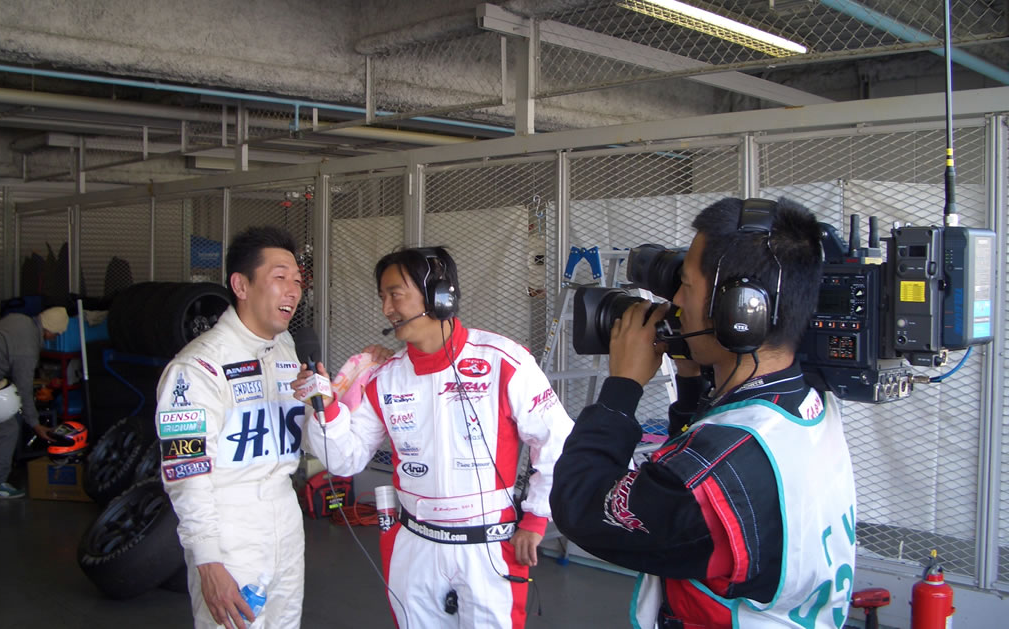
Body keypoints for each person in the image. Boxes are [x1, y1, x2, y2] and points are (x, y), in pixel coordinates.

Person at [550, 197, 856, 628]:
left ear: (739, 311)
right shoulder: (807, 405)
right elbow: (700, 459)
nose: (674, 299)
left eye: (686, 286)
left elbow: (580, 505)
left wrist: (622, 387)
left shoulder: (721, 473)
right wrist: (691, 381)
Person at [300, 246, 574, 629]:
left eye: (395, 294)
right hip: (415, 546)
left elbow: (556, 441)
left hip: (488, 547)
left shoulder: (503, 360)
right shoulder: (384, 377)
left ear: (439, 296)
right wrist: (324, 408)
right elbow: (345, 460)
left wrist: (536, 518)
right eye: (382, 297)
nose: (387, 309)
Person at [155, 226, 308, 629]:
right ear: (241, 285)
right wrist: (207, 560)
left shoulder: (286, 347)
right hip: (231, 530)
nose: (293, 290)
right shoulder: (196, 368)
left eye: (297, 280)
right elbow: (187, 473)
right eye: (279, 278)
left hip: (286, 518)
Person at [0, 306, 66, 498]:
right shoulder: (28, 348)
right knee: (8, 429)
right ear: (49, 331)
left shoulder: (18, 318)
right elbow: (24, 390)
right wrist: (36, 424)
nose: (53, 339)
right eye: (55, 335)